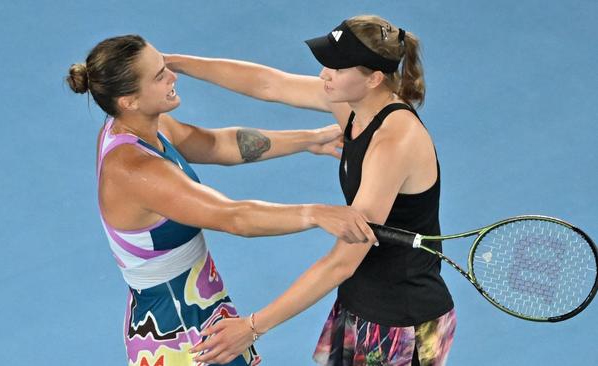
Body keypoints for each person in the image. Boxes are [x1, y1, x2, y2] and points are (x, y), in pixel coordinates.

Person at [66, 35, 377, 366]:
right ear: (128, 100)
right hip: (180, 332)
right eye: (159, 76)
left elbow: (216, 144)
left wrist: (308, 139)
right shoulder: (135, 170)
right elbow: (234, 216)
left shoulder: (135, 126)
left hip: (194, 309)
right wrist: (316, 214)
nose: (173, 77)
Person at [169, 15, 456, 365]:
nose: (324, 75)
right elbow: (268, 84)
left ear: (374, 79)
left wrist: (252, 327)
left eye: (336, 68)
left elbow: (341, 262)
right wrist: (173, 63)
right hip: (362, 302)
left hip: (400, 321)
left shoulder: (394, 142)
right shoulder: (354, 104)